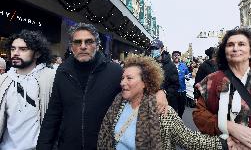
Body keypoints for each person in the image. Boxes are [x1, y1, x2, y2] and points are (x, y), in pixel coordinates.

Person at [37, 23, 167, 150]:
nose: (83, 46)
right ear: (71, 47)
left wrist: (160, 92)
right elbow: (53, 114)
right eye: (78, 42)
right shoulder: (62, 72)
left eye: (88, 42)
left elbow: (139, 83)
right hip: (68, 145)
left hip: (102, 145)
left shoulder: (115, 71)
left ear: (97, 45)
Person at [97, 54, 227, 149]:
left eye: (129, 78)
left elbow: (190, 140)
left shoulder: (162, 112)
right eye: (122, 78)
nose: (122, 82)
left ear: (145, 82)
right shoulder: (117, 105)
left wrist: (225, 144)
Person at [193, 28, 251, 149]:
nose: (235, 48)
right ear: (224, 52)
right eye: (230, 45)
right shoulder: (211, 80)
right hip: (225, 145)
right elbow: (199, 115)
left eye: (241, 44)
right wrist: (227, 126)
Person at [0, 30, 56, 150]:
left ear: (37, 53)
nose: (16, 53)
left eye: (23, 49)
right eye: (13, 49)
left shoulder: (51, 78)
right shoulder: (3, 80)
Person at [149, 39, 180, 112]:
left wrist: (164, 92)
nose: (153, 50)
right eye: (152, 48)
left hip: (167, 103)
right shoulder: (148, 64)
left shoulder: (171, 66)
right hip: (150, 103)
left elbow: (175, 85)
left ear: (162, 49)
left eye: (156, 48)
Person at [172, 50, 190, 117]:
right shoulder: (170, 65)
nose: (176, 56)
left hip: (182, 90)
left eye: (178, 55)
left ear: (180, 56)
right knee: (173, 108)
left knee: (181, 108)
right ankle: (173, 122)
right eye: (175, 55)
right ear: (172, 57)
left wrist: (188, 76)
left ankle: (179, 120)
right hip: (173, 91)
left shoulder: (184, 65)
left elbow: (188, 74)